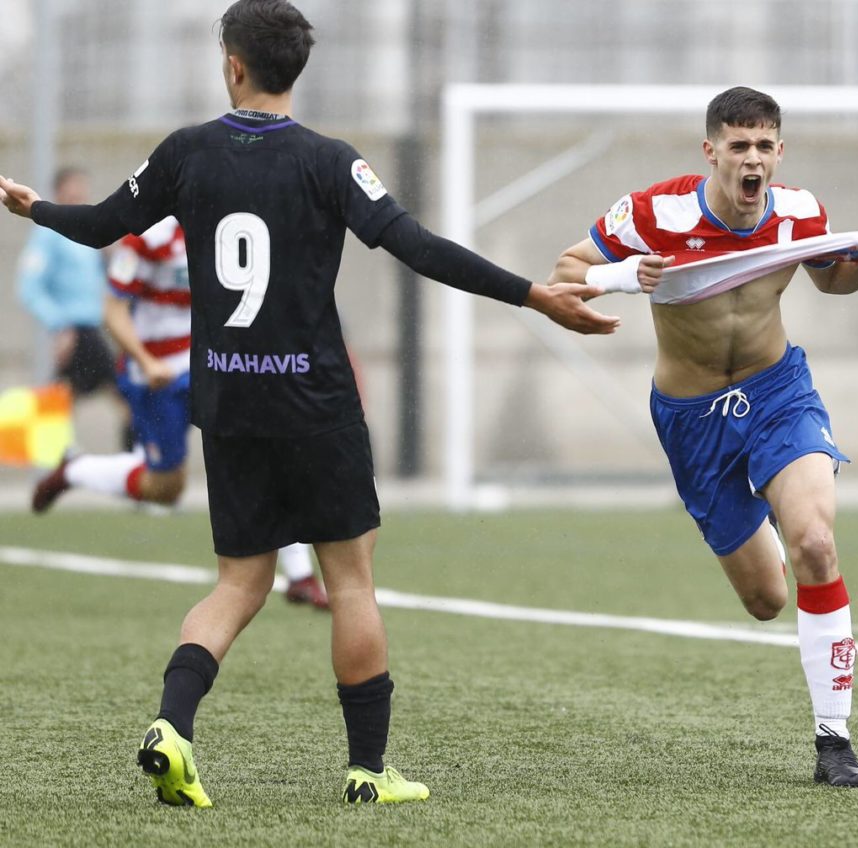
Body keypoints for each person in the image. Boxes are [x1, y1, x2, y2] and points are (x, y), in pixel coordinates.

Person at [0, 0, 619, 808]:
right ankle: (368, 772)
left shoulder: (187, 152)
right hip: (316, 401)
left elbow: (99, 226)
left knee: (237, 583)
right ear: (297, 68)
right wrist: (535, 296)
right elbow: (418, 247)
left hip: (227, 397)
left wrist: (30, 206)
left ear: (232, 65)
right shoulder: (331, 162)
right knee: (351, 581)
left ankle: (173, 727)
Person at [548, 86, 858, 788]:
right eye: (739, 146)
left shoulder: (800, 211)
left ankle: (835, 743)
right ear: (712, 151)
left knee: (817, 545)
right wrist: (623, 276)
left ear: (779, 153)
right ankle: (766, 513)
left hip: (778, 393)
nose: (753, 159)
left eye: (765, 145)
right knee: (767, 600)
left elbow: (832, 283)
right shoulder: (656, 212)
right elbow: (565, 273)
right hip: (692, 417)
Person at [30, 214, 328, 609]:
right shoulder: (150, 237)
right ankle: (75, 470)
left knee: (263, 451)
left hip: (212, 364)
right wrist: (144, 360)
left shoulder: (232, 223)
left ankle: (300, 576)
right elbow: (113, 309)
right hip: (156, 374)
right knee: (166, 488)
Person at [17, 166, 131, 447]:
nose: (78, 196)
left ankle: (61, 464)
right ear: (57, 194)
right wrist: (60, 325)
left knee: (64, 399)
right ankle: (139, 459)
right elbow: (29, 287)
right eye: (72, 191)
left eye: (82, 190)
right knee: (123, 397)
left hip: (93, 328)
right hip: (76, 331)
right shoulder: (49, 235)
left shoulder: (89, 234)